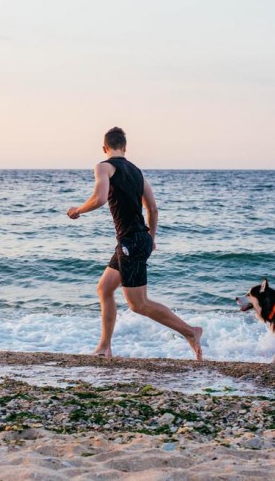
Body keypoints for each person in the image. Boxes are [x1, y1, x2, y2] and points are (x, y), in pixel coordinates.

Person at [67, 127, 203, 361]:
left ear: (104, 147)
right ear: (125, 147)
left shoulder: (103, 166)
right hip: (135, 240)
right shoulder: (137, 172)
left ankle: (191, 332)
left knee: (138, 304)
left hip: (131, 242)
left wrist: (77, 210)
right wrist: (151, 238)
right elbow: (152, 208)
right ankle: (104, 347)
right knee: (105, 288)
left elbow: (99, 198)